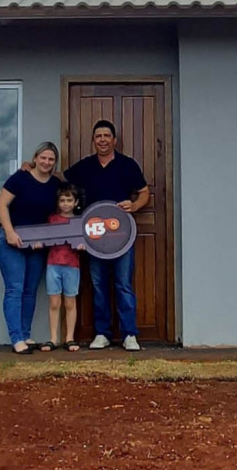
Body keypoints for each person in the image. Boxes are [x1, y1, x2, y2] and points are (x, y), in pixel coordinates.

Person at [64, 120, 150, 351]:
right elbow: (60, 181)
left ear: (114, 140)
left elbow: (144, 192)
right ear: (93, 141)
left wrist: (135, 205)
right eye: (98, 136)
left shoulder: (127, 165)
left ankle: (129, 334)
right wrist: (31, 167)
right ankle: (102, 333)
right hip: (94, 237)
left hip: (122, 234)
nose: (102, 139)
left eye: (106, 136)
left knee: (123, 284)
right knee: (99, 284)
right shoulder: (85, 167)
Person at [0, 142, 61, 354]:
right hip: (11, 242)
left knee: (30, 291)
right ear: (35, 157)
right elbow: (1, 204)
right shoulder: (20, 178)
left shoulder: (55, 184)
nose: (46, 162)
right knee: (15, 289)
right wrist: (10, 232)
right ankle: (16, 339)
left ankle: (25, 334)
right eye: (43, 158)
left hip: (37, 245)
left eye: (51, 159)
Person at [38, 183, 85, 352]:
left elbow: (86, 241)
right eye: (62, 200)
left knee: (70, 302)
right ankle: (53, 338)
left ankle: (69, 338)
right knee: (54, 302)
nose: (65, 203)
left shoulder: (80, 221)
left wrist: (83, 246)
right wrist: (38, 243)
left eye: (69, 200)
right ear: (58, 202)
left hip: (72, 265)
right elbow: (43, 237)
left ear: (75, 202)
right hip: (53, 264)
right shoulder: (51, 219)